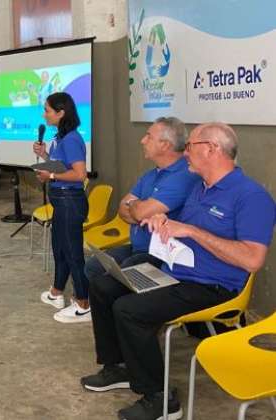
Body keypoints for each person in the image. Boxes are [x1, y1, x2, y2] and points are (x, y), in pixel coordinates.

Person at [81, 123, 276, 420]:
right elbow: (179, 228)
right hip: (176, 271)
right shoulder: (200, 188)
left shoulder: (251, 197)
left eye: (191, 147)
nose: (185, 153)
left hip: (213, 286)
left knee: (129, 309)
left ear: (212, 149)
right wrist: (162, 221)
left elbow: (252, 259)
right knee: (103, 286)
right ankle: (117, 367)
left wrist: (193, 231)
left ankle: (161, 400)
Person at [84, 117, 199, 282]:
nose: (142, 140)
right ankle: (87, 305)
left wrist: (135, 207)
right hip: (138, 247)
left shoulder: (184, 176)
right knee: (93, 266)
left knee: (112, 281)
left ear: (165, 145)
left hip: (160, 254)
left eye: (149, 136)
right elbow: (123, 210)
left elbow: (138, 213)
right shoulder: (150, 175)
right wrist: (138, 210)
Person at [32, 92, 90, 323]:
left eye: (47, 110)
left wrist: (52, 174)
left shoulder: (72, 139)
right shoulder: (60, 138)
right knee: (60, 249)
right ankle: (57, 293)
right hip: (61, 202)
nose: (44, 114)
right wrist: (44, 155)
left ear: (61, 113)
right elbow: (60, 165)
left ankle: (83, 303)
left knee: (74, 253)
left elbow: (79, 174)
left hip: (70, 203)